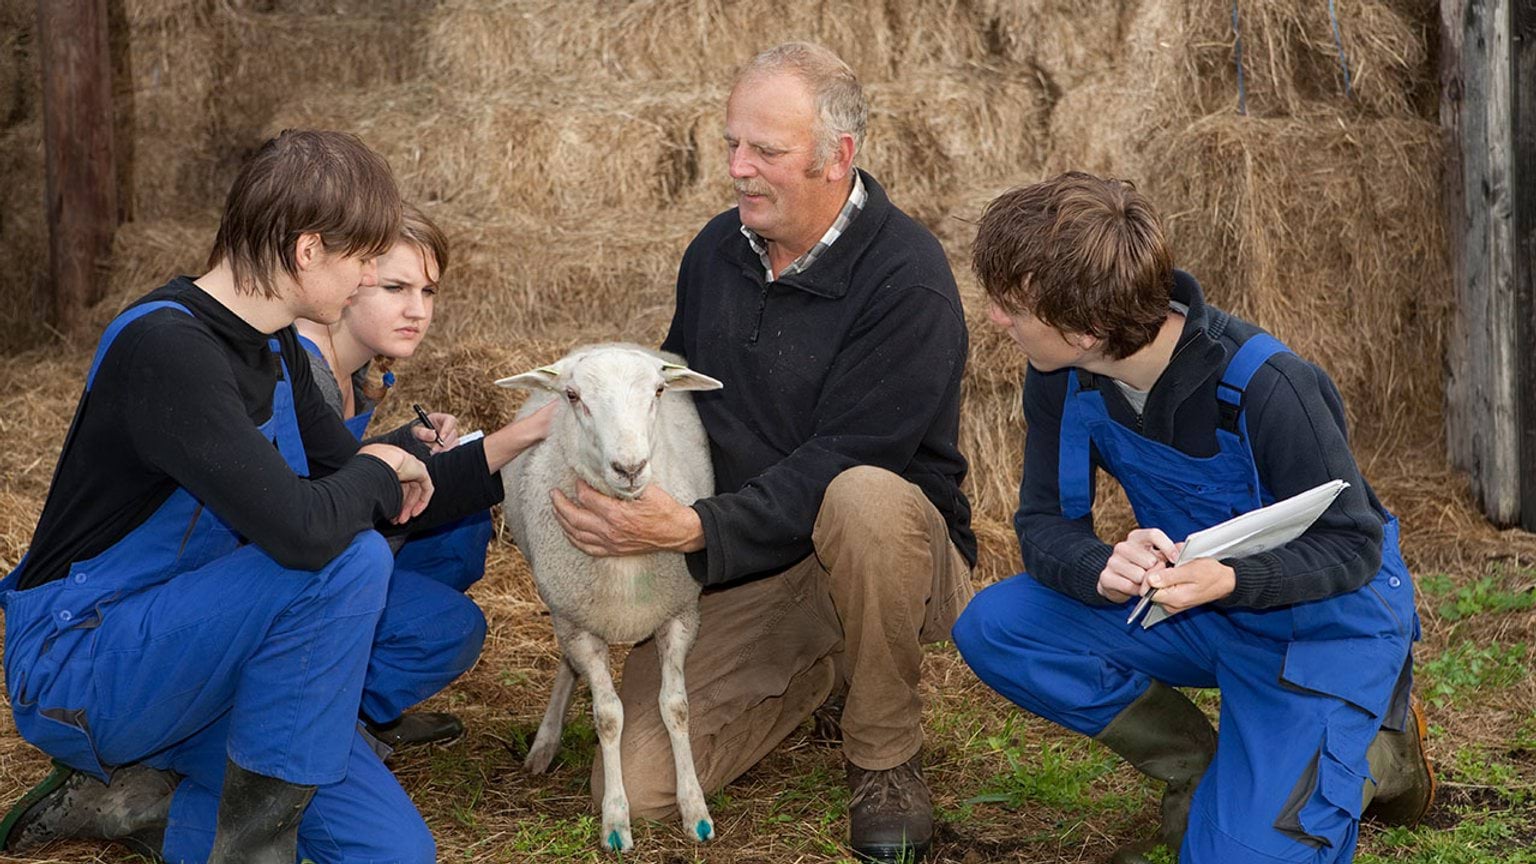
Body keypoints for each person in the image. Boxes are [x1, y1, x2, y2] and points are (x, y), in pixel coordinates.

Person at [0, 130, 551, 863]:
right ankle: (243, 845)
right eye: (361, 260)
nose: (363, 281)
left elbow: (368, 483)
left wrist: (512, 450)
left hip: (222, 654)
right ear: (307, 250)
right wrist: (383, 469)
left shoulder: (277, 347)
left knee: (395, 856)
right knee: (346, 559)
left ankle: (147, 806)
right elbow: (306, 533)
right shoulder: (168, 348)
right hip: (90, 657)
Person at [547, 42, 974, 862]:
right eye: (732, 144)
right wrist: (565, 440)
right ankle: (822, 663)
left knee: (862, 496)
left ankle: (883, 754)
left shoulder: (905, 281)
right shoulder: (716, 250)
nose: (739, 168)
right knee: (637, 787)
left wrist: (690, 531)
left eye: (766, 152)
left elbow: (845, 458)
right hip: (752, 556)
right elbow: (674, 400)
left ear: (836, 157)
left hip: (888, 553)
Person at [951, 172, 1435, 863]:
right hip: (1193, 609)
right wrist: (1101, 566)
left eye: (1011, 308)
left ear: (1086, 329)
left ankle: (1376, 756)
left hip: (1325, 626)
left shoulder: (1269, 388)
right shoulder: (1061, 375)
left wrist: (1230, 581)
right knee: (996, 626)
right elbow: (1043, 526)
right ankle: (1201, 767)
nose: (998, 319)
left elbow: (1351, 547)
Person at [294, 203, 494, 751]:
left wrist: (405, 443)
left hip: (329, 543)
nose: (418, 310)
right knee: (449, 628)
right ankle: (325, 723)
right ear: (348, 278)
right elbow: (316, 511)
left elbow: (336, 462)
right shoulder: (301, 367)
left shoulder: (357, 369)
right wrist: (517, 441)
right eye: (396, 288)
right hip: (294, 572)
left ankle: (357, 703)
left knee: (464, 528)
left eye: (428, 292)